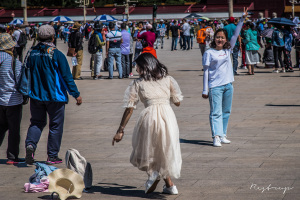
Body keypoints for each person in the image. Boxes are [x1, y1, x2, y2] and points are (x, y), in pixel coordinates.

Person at [112, 53, 183, 195]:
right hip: (168, 116)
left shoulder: (138, 83)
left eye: (137, 66)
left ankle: (154, 175)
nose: (136, 69)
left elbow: (130, 109)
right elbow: (177, 102)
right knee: (164, 148)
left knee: (150, 149)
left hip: (150, 116)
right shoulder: (168, 79)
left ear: (144, 66)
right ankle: (170, 185)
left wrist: (120, 129)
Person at [25, 25, 82, 165]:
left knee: (36, 122)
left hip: (36, 95)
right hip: (55, 97)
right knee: (55, 125)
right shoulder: (57, 54)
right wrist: (76, 94)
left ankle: (30, 145)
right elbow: (67, 77)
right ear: (53, 37)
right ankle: (52, 156)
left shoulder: (31, 53)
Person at [202, 8, 248, 147]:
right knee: (215, 113)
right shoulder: (209, 53)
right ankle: (215, 136)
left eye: (222, 37)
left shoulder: (228, 49)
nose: (220, 39)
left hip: (228, 85)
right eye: (217, 37)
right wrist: (205, 90)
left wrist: (242, 19)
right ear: (214, 39)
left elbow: (235, 34)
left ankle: (222, 134)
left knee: (226, 111)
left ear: (225, 39)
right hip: (215, 86)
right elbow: (205, 72)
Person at [0, 33, 24, 165]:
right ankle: (12, 156)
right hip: (13, 100)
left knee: (1, 128)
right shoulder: (13, 61)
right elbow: (20, 81)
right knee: (14, 130)